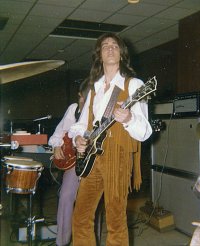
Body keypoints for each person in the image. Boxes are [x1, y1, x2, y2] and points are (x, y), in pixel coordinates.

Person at [69, 32, 152, 246]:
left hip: (118, 156)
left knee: (115, 221)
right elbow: (81, 125)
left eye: (115, 45)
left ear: (122, 54)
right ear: (100, 55)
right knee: (80, 217)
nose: (110, 48)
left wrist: (129, 117)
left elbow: (144, 132)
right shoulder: (94, 89)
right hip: (91, 158)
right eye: (105, 45)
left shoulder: (134, 85)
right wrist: (78, 137)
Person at [48, 80, 90, 246]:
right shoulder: (73, 109)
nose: (82, 103)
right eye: (81, 98)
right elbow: (58, 132)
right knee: (65, 196)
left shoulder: (100, 110)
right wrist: (57, 144)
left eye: (86, 99)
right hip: (75, 162)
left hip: (96, 161)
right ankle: (62, 242)